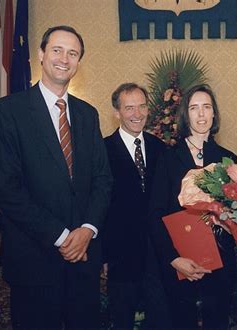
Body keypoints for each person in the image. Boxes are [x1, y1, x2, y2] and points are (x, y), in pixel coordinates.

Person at [0, 25, 112, 329]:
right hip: (34, 257)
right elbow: (7, 188)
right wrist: (60, 236)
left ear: (78, 62)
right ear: (41, 54)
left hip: (83, 257)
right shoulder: (9, 111)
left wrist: (87, 229)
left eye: (73, 53)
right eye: (57, 50)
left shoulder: (87, 114)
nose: (64, 58)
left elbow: (102, 178)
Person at [148, 84, 237, 329]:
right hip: (180, 261)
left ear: (214, 114)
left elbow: (235, 213)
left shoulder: (228, 159)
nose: (201, 114)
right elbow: (155, 214)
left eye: (206, 107)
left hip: (219, 262)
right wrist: (174, 259)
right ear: (185, 115)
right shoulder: (166, 158)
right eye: (194, 108)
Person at [102, 82, 170, 328]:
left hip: (157, 254)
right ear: (117, 113)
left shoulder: (159, 148)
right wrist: (104, 256)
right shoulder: (103, 150)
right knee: (122, 319)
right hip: (121, 255)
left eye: (142, 107)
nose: (137, 114)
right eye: (129, 108)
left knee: (160, 318)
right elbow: (100, 207)